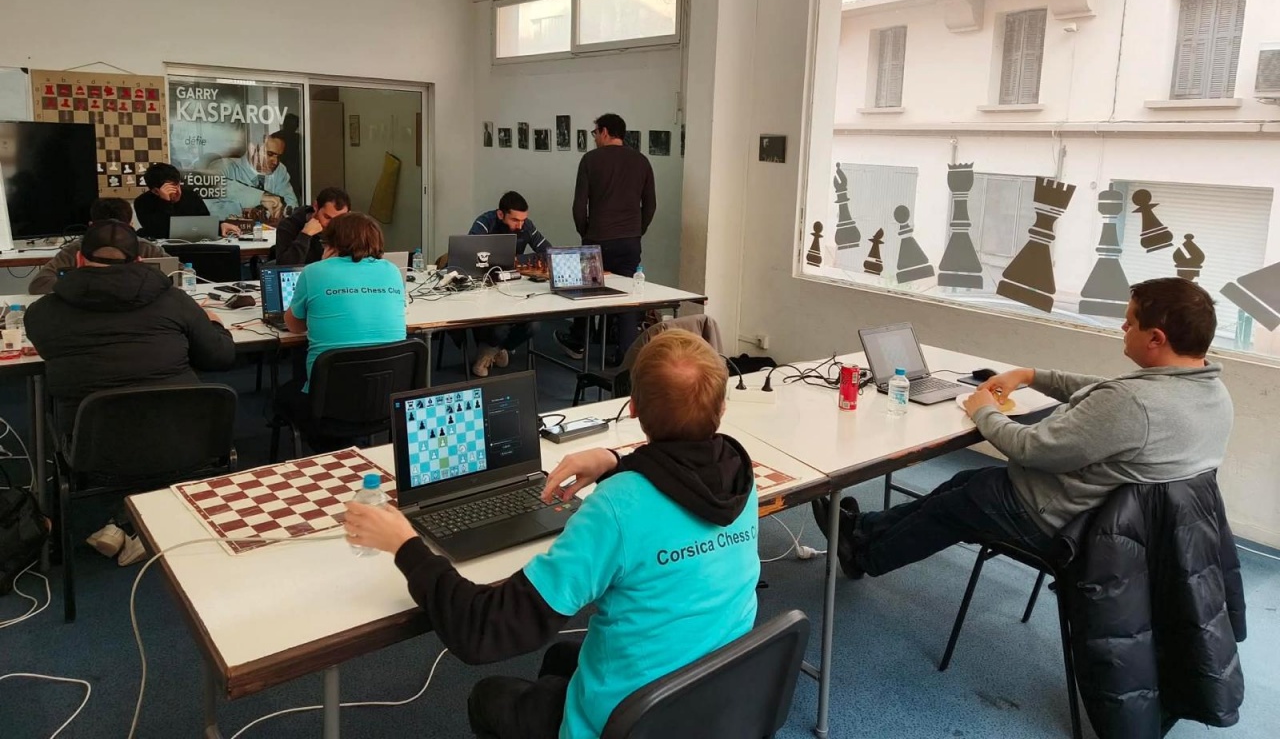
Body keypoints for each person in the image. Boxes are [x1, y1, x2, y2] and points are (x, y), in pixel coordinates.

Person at [344, 331, 759, 739]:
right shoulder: (739, 477)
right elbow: (678, 484)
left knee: (489, 696)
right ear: (722, 407)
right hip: (711, 697)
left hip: (630, 724)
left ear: (632, 408)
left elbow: (481, 630)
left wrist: (405, 545)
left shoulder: (617, 508)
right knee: (561, 657)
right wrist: (616, 461)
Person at [815, 277, 1233, 580]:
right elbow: (1104, 389)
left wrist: (983, 410)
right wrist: (1031, 375)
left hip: (1067, 525)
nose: (1123, 330)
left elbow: (1032, 449)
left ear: (1156, 338)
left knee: (960, 503)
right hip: (1126, 530)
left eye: (1130, 323)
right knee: (966, 482)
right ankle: (863, 529)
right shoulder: (1208, 392)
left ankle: (863, 558)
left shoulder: (1133, 404)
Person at [25, 220, 236, 565]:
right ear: (139, 261)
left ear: (78, 260)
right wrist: (214, 323)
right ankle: (139, 523)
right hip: (189, 442)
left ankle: (124, 522)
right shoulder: (175, 301)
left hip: (95, 455)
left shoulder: (41, 314)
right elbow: (221, 357)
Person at [282, 212, 406, 450]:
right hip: (384, 398)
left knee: (282, 394)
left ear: (332, 243)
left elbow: (294, 326)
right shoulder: (392, 271)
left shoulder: (314, 272)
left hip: (328, 404)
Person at [558, 113, 656, 362]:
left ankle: (579, 342)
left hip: (597, 238)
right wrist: (637, 230)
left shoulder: (591, 160)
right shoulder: (642, 161)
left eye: (595, 133)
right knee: (628, 298)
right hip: (630, 241)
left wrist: (586, 232)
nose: (595, 138)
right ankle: (625, 356)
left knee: (585, 292)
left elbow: (579, 206)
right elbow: (651, 205)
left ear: (604, 132)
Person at [468, 191, 552, 377]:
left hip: (515, 288)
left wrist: (516, 260)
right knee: (501, 326)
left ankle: (491, 351)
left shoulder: (526, 226)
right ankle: (492, 349)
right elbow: (469, 253)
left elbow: (548, 251)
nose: (520, 226)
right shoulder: (485, 222)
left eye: (523, 220)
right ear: (501, 214)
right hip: (485, 289)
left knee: (534, 325)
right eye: (515, 220)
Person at [30, 197, 172, 294]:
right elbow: (40, 284)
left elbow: (180, 274)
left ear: (91, 226)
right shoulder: (146, 248)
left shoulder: (146, 247)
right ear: (131, 226)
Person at [134, 163, 238, 240]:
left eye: (177, 185)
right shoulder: (142, 202)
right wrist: (165, 202)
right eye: (170, 189)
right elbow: (159, 232)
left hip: (192, 246)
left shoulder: (190, 195)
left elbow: (203, 222)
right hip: (163, 250)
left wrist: (219, 226)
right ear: (155, 191)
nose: (177, 192)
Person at [213, 131, 299, 221]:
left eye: (279, 157)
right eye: (270, 154)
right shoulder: (223, 167)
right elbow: (214, 191)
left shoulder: (279, 170)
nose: (275, 162)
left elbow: (292, 205)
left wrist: (283, 212)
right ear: (252, 149)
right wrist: (260, 198)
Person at [274, 187, 352, 266]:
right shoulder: (289, 225)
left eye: (339, 219)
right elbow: (285, 267)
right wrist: (305, 235)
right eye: (327, 217)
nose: (332, 224)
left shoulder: (349, 228)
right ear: (316, 207)